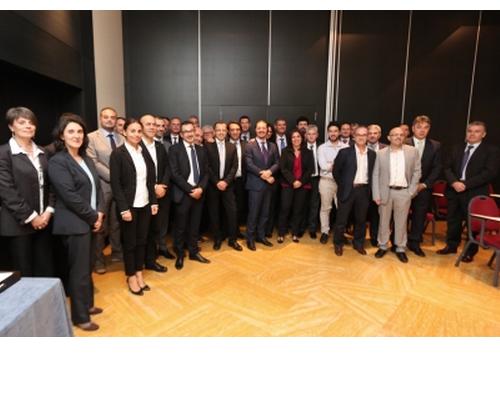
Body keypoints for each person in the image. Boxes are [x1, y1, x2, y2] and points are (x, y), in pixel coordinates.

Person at [48, 113, 105, 331]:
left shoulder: (86, 159)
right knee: (79, 271)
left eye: (80, 131)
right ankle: (80, 317)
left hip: (90, 221)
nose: (76, 135)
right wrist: (93, 216)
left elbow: (98, 188)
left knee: (87, 267)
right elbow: (69, 196)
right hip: (74, 223)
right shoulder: (58, 161)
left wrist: (100, 212)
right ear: (62, 135)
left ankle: (87, 305)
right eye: (71, 131)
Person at [0, 106, 54, 277]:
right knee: (25, 276)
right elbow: (7, 191)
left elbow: (51, 185)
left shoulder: (43, 152)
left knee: (45, 272)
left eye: (31, 122)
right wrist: (32, 217)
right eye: (22, 122)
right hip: (18, 225)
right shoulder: (3, 153)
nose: (28, 126)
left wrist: (48, 212)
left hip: (44, 222)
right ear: (11, 127)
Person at [437, 121, 500, 262]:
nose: (472, 134)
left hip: (474, 192)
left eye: (477, 131)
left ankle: (469, 252)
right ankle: (451, 246)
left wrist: (465, 184)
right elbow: (447, 168)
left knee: (473, 224)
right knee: (453, 221)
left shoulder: (491, 151)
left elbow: (489, 173)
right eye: (470, 131)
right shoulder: (456, 148)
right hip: (454, 190)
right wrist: (454, 182)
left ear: (483, 134)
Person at [110, 118, 158, 296]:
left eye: (139, 131)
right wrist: (123, 208)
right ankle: (130, 276)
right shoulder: (118, 154)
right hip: (129, 206)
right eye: (132, 131)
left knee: (141, 241)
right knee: (130, 243)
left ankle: (139, 272)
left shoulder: (143, 151)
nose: (137, 134)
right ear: (124, 132)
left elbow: (150, 180)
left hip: (145, 204)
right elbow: (116, 184)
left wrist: (153, 201)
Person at [372, 126, 421, 263]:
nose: (398, 137)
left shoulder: (412, 151)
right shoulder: (380, 153)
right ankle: (382, 245)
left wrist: (411, 192)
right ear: (389, 138)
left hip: (404, 192)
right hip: (385, 192)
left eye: (401, 134)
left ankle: (400, 248)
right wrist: (376, 194)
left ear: (404, 137)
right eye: (395, 135)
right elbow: (376, 174)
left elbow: (417, 172)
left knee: (401, 222)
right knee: (383, 221)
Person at [86, 106, 124, 273]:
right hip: (103, 185)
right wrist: (113, 177)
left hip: (121, 187)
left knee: (117, 222)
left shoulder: (122, 137)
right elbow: (93, 161)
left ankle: (117, 253)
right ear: (101, 119)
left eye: (112, 117)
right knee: (100, 225)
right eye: (106, 117)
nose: (109, 120)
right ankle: (98, 260)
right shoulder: (91, 137)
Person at [169, 121, 211, 269]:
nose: (189, 134)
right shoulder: (174, 150)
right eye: (186, 131)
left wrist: (200, 189)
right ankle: (180, 254)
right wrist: (190, 190)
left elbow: (206, 172)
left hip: (199, 194)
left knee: (194, 225)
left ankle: (193, 252)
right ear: (181, 134)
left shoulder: (201, 150)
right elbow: (174, 174)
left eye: (191, 130)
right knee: (180, 227)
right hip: (183, 194)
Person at [332, 126, 376, 256]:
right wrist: (344, 185)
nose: (361, 137)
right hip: (348, 190)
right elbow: (336, 172)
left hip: (364, 191)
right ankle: (338, 244)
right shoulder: (344, 152)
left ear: (367, 137)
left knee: (361, 220)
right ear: (354, 137)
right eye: (359, 135)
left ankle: (358, 244)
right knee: (342, 220)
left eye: (364, 135)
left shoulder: (372, 154)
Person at [405, 115, 441, 257]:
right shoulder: (404, 142)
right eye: (419, 127)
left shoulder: (435, 146)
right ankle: (398, 242)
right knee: (401, 216)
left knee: (419, 216)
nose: (422, 130)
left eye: (426, 127)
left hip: (423, 188)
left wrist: (425, 184)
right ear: (413, 128)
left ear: (429, 129)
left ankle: (414, 243)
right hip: (404, 186)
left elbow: (437, 168)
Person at [140, 114, 171, 272]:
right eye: (149, 124)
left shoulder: (159, 146)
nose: (152, 127)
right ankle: (146, 260)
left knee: (158, 226)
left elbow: (167, 167)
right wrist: (154, 187)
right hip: (144, 194)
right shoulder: (136, 146)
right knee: (145, 229)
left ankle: (153, 258)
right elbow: (136, 173)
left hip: (162, 192)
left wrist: (163, 186)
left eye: (155, 124)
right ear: (141, 127)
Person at [205, 121, 242, 251]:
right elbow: (207, 167)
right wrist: (217, 182)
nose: (221, 132)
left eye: (223, 130)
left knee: (232, 212)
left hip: (228, 185)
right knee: (214, 213)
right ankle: (217, 239)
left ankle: (232, 240)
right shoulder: (207, 146)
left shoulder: (231, 146)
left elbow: (234, 166)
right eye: (218, 130)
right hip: (213, 186)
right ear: (214, 132)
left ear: (227, 132)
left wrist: (226, 181)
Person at [245, 120, 280, 250]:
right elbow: (249, 164)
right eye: (259, 128)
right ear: (255, 130)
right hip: (255, 185)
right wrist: (264, 174)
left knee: (265, 213)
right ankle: (250, 238)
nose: (261, 130)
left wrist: (270, 171)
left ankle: (261, 236)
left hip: (268, 186)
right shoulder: (249, 146)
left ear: (267, 130)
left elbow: (277, 162)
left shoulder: (273, 146)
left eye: (263, 128)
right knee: (253, 213)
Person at [277, 129, 314, 243]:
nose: (296, 139)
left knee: (298, 210)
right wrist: (293, 181)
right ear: (290, 139)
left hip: (302, 185)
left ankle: (295, 233)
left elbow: (310, 170)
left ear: (302, 138)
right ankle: (281, 233)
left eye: (298, 136)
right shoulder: (285, 151)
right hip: (288, 184)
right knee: (285, 208)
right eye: (293, 137)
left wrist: (300, 182)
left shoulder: (308, 152)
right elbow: (283, 169)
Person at [317, 122, 349, 244]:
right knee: (325, 208)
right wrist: (337, 166)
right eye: (331, 131)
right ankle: (325, 232)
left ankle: (340, 233)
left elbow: (348, 166)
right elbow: (323, 166)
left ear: (339, 132)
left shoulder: (346, 147)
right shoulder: (322, 148)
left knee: (342, 208)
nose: (333, 133)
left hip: (342, 183)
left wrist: (332, 164)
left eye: (335, 131)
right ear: (328, 132)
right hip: (326, 181)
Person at [366, 124, 387, 246]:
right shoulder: (360, 147)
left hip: (379, 187)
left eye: (375, 133)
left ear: (379, 135)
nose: (372, 135)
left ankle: (374, 237)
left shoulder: (386, 149)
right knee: (361, 214)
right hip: (364, 187)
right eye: (370, 133)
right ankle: (359, 238)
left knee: (376, 215)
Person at [228, 121, 247, 236]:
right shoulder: (224, 144)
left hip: (241, 180)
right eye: (232, 130)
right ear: (229, 132)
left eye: (237, 130)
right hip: (228, 182)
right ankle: (228, 231)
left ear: (240, 131)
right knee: (229, 208)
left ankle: (236, 230)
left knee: (240, 207)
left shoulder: (246, 144)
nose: (235, 132)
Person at [303, 124, 321, 238]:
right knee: (302, 203)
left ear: (317, 135)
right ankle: (301, 227)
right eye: (309, 134)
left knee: (314, 204)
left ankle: (312, 228)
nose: (311, 136)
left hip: (317, 179)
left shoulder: (322, 147)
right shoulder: (301, 147)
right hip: (304, 179)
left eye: (313, 134)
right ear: (305, 135)